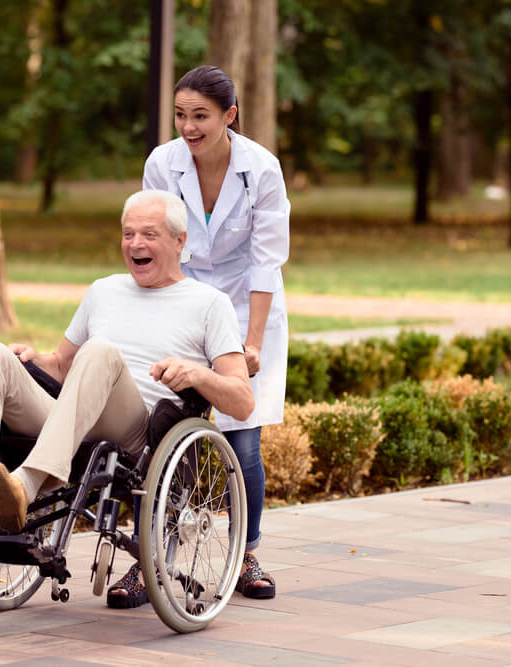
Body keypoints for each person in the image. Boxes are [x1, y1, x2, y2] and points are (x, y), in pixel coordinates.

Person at [0, 191, 254, 598]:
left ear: (179, 241)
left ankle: (25, 486)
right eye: (128, 234)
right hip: (73, 416)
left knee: (100, 351)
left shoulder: (210, 304)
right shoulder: (103, 290)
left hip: (136, 432)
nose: (135, 244)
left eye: (149, 234)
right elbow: (63, 365)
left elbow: (242, 400)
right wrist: (33, 359)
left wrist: (197, 374)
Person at [127, 65, 291, 602]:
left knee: (243, 442)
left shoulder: (261, 169)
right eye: (181, 115)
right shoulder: (163, 163)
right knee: (160, 434)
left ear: (229, 116)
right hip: (184, 303)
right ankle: (150, 560)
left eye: (200, 116)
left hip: (247, 310)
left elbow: (266, 263)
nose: (188, 127)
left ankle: (245, 554)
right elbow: (156, 238)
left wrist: (252, 345)